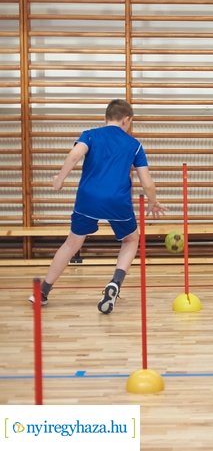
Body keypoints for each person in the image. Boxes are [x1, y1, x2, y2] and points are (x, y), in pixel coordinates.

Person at [28, 99, 166, 313]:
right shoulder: (134, 145)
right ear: (126, 120)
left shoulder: (90, 134)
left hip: (87, 199)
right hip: (117, 201)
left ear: (106, 118)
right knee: (131, 239)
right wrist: (153, 201)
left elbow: (74, 155)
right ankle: (115, 283)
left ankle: (43, 291)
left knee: (71, 244)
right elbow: (147, 182)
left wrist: (60, 179)